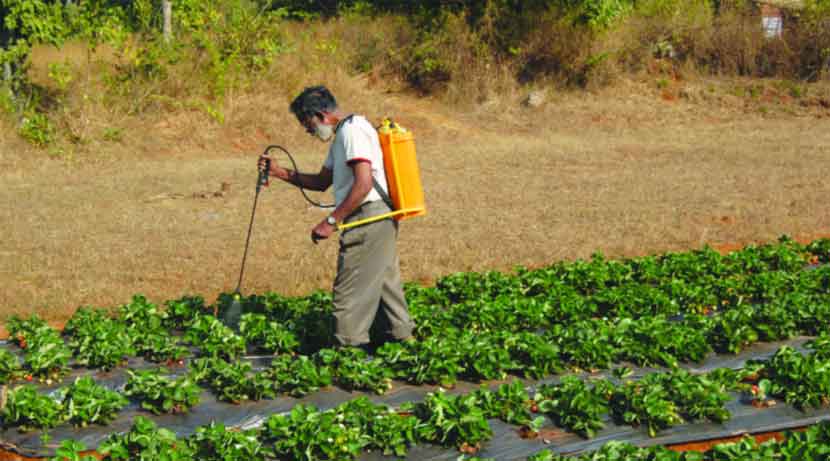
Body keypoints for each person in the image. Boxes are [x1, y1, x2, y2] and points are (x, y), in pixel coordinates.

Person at [258, 85, 415, 350]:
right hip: (377, 220)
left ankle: (348, 353)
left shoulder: (353, 131)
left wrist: (331, 221)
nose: (308, 130)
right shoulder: (343, 134)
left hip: (369, 219)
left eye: (307, 123)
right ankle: (403, 340)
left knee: (349, 294)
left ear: (321, 114)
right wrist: (279, 172)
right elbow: (321, 182)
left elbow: (363, 184)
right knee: (385, 284)